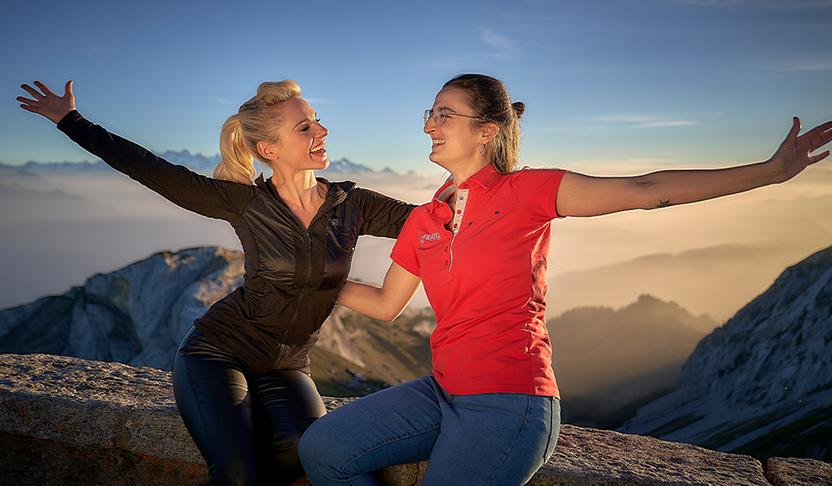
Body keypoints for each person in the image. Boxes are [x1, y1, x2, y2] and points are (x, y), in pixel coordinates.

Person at [297, 73, 832, 485]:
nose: (427, 125)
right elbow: (387, 303)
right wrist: (312, 275)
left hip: (511, 400)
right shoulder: (423, 220)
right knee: (323, 449)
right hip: (443, 391)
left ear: (487, 131)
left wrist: (769, 171)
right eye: (430, 114)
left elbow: (647, 187)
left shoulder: (527, 192)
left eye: (444, 115)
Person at [17, 79, 416, 485]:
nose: (322, 131)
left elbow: (431, 221)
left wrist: (473, 173)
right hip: (217, 352)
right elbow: (152, 170)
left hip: (287, 365)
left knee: (305, 453)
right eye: (305, 127)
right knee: (237, 473)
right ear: (269, 150)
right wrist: (71, 120)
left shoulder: (353, 206)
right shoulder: (245, 203)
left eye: (317, 120)